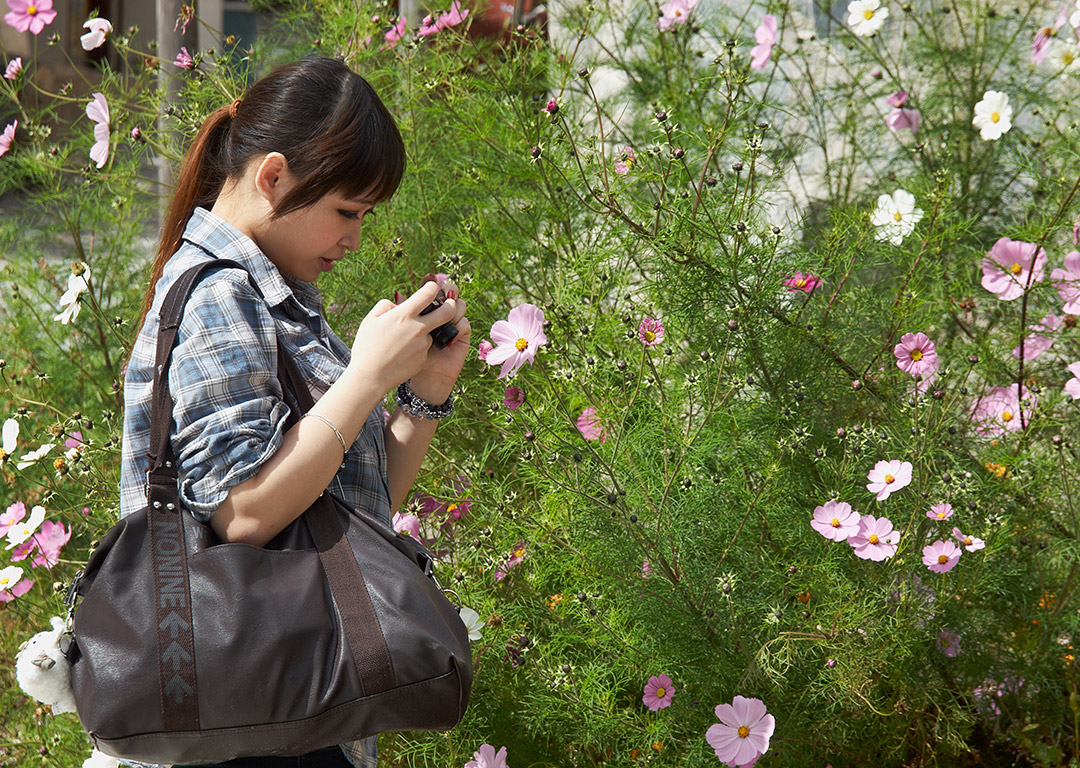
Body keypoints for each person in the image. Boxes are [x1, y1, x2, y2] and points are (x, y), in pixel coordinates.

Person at [118, 56, 470, 768]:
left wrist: (423, 391)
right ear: (273, 176)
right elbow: (245, 514)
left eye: (366, 217)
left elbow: (344, 513)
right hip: (252, 722)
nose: (354, 239)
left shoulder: (275, 300)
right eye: (347, 210)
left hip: (287, 712)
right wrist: (366, 375)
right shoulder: (219, 295)